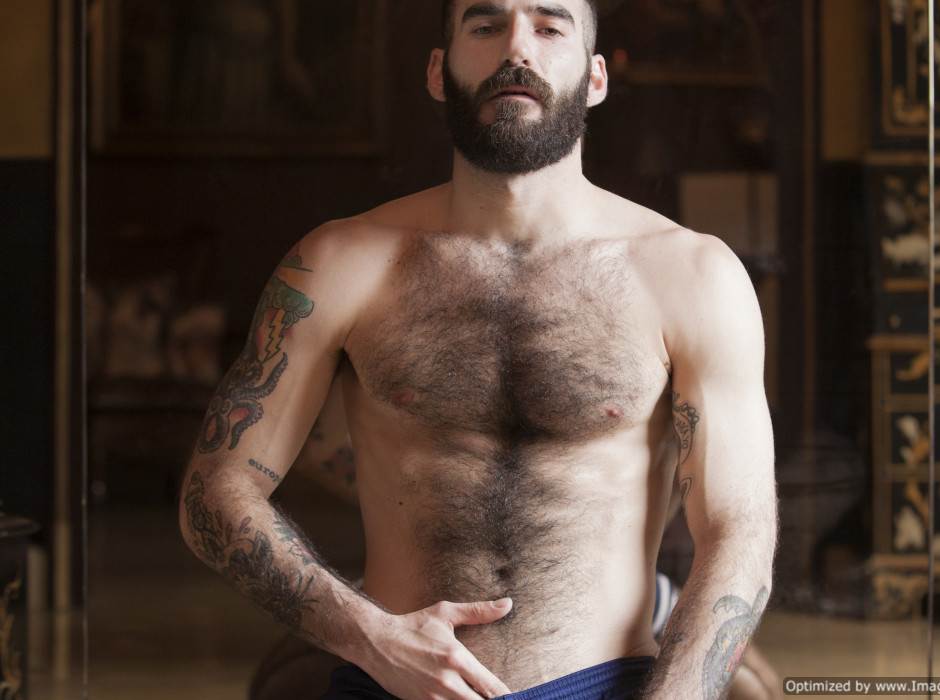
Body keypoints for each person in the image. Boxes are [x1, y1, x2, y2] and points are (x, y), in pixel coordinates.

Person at [178, 1, 779, 698]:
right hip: (390, 684)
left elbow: (739, 530)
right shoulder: (340, 263)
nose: (516, 49)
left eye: (549, 28)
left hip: (605, 684)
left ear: (595, 78)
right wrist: (370, 635)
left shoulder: (692, 275)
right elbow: (214, 490)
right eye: (486, 26)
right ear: (439, 71)